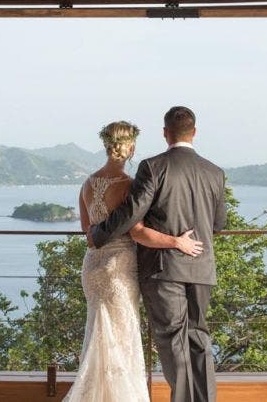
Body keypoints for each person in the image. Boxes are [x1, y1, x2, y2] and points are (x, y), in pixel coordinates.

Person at [89, 106, 226, 402]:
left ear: (165, 133)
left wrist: (99, 233)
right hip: (202, 266)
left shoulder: (153, 167)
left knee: (173, 340)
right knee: (199, 337)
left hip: (164, 269)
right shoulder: (215, 172)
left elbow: (131, 213)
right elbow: (219, 223)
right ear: (195, 132)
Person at [64, 120, 204, 402]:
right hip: (119, 267)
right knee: (122, 337)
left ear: (107, 146)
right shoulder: (129, 185)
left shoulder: (87, 184)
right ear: (130, 147)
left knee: (99, 335)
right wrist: (177, 241)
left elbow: (88, 231)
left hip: (92, 266)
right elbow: (137, 232)